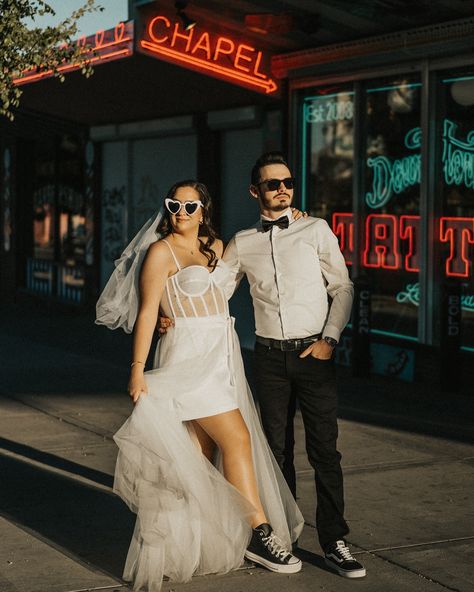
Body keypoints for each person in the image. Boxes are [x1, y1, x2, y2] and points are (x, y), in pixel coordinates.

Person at [96, 180, 304, 592]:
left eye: (191, 206)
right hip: (187, 357)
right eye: (174, 204)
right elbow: (148, 312)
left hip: (220, 357)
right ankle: (261, 535)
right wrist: (137, 368)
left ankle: (182, 549)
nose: (181, 212)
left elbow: (249, 252)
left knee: (197, 456)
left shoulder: (215, 246)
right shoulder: (160, 251)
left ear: (204, 210)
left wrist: (290, 217)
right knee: (239, 439)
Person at [222, 152, 366, 579]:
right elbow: (215, 292)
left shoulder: (315, 229)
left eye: (287, 181)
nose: (282, 188)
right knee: (274, 451)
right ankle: (283, 534)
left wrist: (329, 339)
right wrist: (173, 310)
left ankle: (335, 540)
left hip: (314, 354)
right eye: (272, 183)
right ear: (255, 191)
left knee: (325, 450)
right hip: (268, 358)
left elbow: (342, 286)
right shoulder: (242, 242)